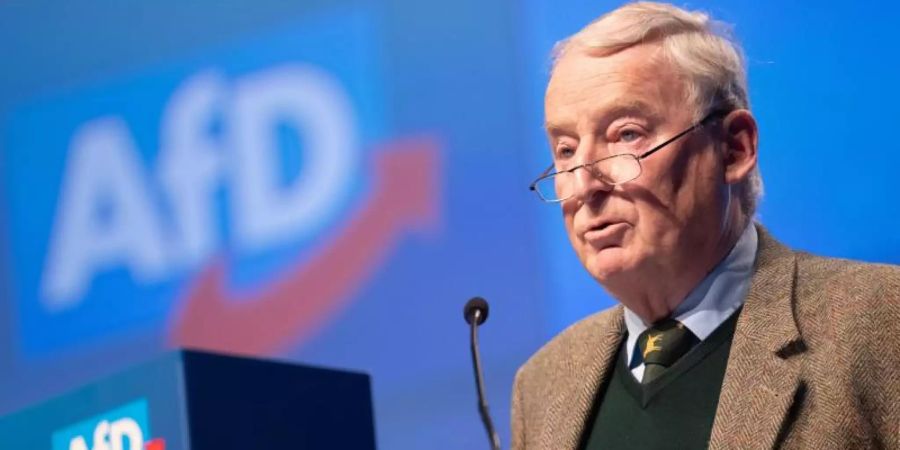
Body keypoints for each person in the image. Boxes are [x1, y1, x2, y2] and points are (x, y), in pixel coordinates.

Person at [511, 2, 900, 449]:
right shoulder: (542, 384)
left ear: (734, 148)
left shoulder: (880, 321)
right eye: (564, 150)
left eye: (626, 134)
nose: (583, 185)